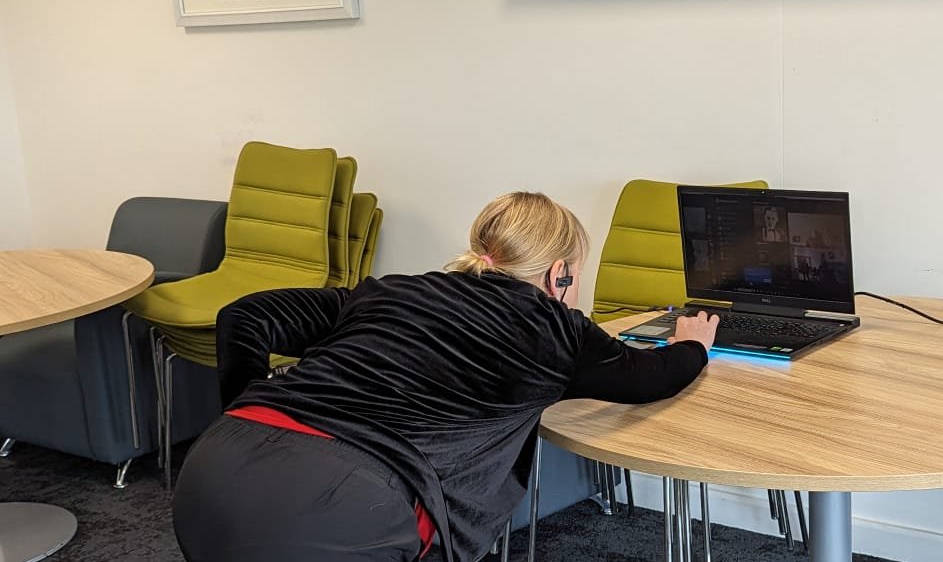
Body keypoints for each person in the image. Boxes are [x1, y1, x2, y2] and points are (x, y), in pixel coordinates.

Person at [171, 192, 719, 562]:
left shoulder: (392, 288)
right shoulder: (555, 327)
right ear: (560, 273)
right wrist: (692, 342)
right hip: (340, 507)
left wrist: (247, 412)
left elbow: (243, 316)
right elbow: (652, 379)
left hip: (211, 473)